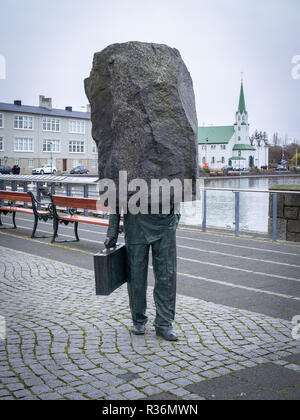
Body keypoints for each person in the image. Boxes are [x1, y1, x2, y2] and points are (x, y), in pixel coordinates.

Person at [104, 208, 180, 341]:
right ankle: (138, 320)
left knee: (167, 275)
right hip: (136, 224)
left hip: (165, 222)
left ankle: (164, 323)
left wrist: (176, 217)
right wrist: (112, 232)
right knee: (136, 276)